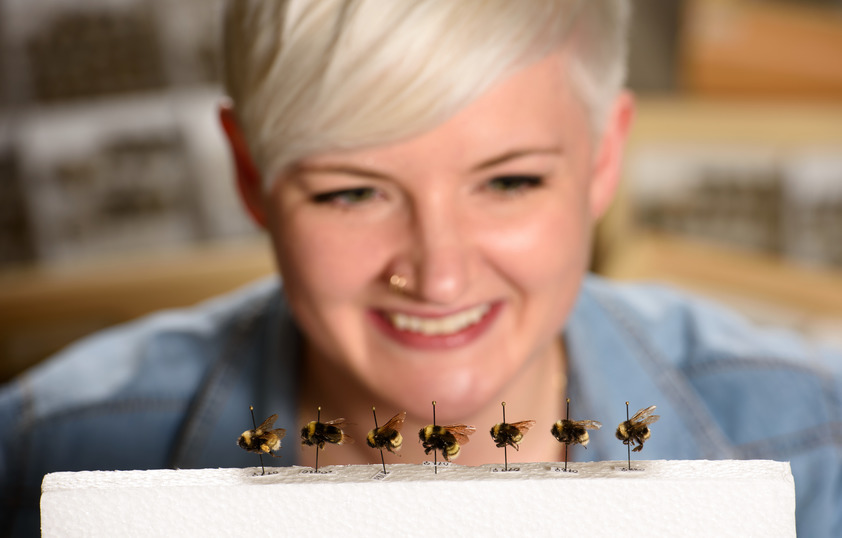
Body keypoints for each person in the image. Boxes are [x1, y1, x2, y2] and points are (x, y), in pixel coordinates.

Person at [1, 1, 840, 536]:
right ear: (252, 176)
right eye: (352, 194)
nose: (439, 278)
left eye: (509, 182)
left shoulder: (815, 445)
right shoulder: (39, 451)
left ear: (604, 156)